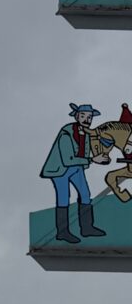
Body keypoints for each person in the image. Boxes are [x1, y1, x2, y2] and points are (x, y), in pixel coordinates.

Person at [40, 103, 108, 243]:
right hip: (60, 170)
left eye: (89, 117)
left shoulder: (87, 133)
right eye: (83, 116)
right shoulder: (66, 133)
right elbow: (67, 158)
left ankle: (87, 228)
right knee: (64, 198)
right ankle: (62, 232)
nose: (86, 119)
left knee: (85, 194)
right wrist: (92, 159)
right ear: (77, 116)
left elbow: (88, 150)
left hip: (77, 167)